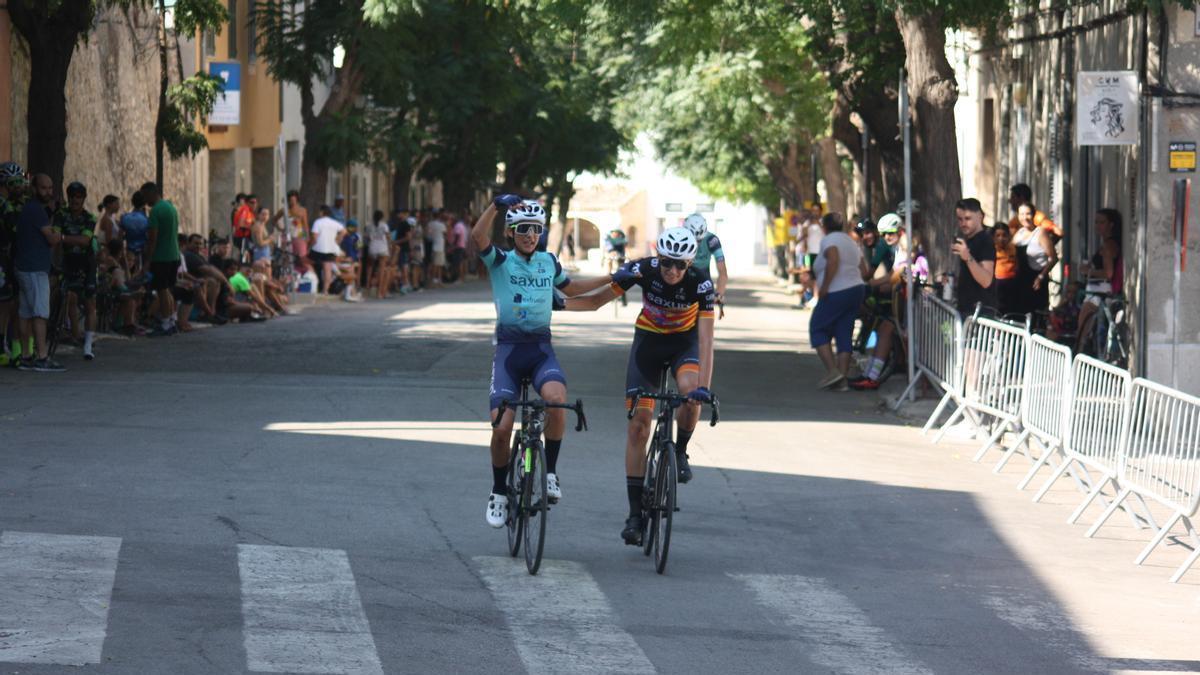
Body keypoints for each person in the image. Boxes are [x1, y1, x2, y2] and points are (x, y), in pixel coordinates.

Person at [555, 227, 717, 545]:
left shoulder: (700, 282)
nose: (672, 271)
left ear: (689, 264)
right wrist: (557, 305)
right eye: (667, 263)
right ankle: (634, 515)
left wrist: (704, 387)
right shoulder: (643, 269)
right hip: (648, 345)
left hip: (684, 345)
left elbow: (707, 338)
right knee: (638, 428)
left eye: (679, 265)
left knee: (690, 393)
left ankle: (681, 451)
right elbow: (595, 301)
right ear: (659, 258)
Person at [473, 195, 614, 530]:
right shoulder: (501, 261)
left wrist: (614, 279)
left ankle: (549, 473)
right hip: (509, 351)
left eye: (536, 229)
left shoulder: (548, 262)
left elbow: (577, 291)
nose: (530, 234)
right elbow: (478, 237)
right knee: (502, 429)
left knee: (556, 400)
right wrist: (495, 205)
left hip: (540, 350)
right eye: (523, 228)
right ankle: (498, 492)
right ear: (510, 232)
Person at [808, 213, 865, 391]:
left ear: (824, 227)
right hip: (856, 289)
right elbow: (865, 268)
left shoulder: (829, 240)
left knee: (817, 328)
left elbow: (833, 259)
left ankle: (834, 371)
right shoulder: (850, 241)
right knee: (843, 331)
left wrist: (825, 286)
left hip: (836, 291)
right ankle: (842, 380)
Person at [850, 213, 907, 390]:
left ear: (900, 231)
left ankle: (873, 376)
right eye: (884, 234)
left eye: (891, 233)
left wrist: (874, 283)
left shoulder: (902, 248)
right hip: (900, 297)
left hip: (906, 300)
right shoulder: (895, 248)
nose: (886, 238)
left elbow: (898, 273)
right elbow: (893, 274)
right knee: (884, 331)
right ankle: (870, 374)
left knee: (889, 333)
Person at [14, 174, 64, 371]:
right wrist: (63, 235)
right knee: (40, 313)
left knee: (25, 313)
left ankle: (26, 356)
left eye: (50, 188)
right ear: (34, 188)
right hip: (35, 270)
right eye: (44, 188)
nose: (48, 192)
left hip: (24, 267)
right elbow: (52, 239)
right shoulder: (36, 210)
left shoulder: (32, 209)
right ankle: (42, 357)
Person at [53, 181, 100, 359]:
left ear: (83, 199)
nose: (75, 200)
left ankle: (88, 344)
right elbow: (54, 239)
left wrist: (63, 237)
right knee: (69, 297)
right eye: (72, 196)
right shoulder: (60, 215)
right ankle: (73, 333)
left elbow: (85, 241)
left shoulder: (89, 218)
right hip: (67, 260)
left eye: (79, 197)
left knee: (90, 303)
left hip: (86, 262)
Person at [1075, 208, 1123, 353]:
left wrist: (1088, 271)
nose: (1097, 226)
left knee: (1082, 332)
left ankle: (1079, 358)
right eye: (1096, 222)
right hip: (1096, 292)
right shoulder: (1106, 244)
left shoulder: (1108, 246)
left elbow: (1108, 273)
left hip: (1099, 294)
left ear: (1111, 225)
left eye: (1102, 222)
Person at [142, 181, 182, 336]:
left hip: (161, 257)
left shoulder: (155, 211)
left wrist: (147, 261)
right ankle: (171, 321)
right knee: (167, 290)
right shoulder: (170, 207)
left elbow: (153, 239)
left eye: (146, 196)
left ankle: (166, 324)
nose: (145, 200)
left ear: (153, 193)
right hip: (174, 255)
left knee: (162, 291)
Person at [0, 162, 27, 365]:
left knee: (8, 303)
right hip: (3, 259)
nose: (18, 185)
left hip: (9, 259)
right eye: (14, 182)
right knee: (5, 304)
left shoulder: (15, 202)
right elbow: (15, 228)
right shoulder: (4, 204)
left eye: (20, 181)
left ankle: (9, 348)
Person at [951, 198, 996, 317]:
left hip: (980, 315)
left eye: (967, 218)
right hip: (966, 310)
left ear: (980, 216)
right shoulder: (969, 241)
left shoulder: (985, 241)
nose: (963, 223)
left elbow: (986, 280)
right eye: (960, 219)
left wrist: (968, 258)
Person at [1011, 202, 1058, 316]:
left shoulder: (1040, 232)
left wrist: (1041, 276)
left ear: (1033, 215)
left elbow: (1053, 258)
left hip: (1035, 280)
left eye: (1028, 214)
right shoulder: (1019, 233)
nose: (1025, 217)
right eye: (1021, 214)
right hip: (1021, 279)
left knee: (1035, 315)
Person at [682, 213, 728, 306]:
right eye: (691, 240)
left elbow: (722, 272)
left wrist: (719, 293)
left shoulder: (712, 240)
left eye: (699, 240)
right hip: (683, 275)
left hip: (703, 277)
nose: (696, 244)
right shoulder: (679, 237)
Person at [309, 205, 346, 297]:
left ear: (322, 212)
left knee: (307, 262)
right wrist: (338, 240)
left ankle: (314, 284)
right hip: (330, 249)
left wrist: (309, 246)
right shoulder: (334, 223)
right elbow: (344, 231)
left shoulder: (318, 222)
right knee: (327, 269)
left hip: (318, 249)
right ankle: (325, 290)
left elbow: (314, 236)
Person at [993, 223, 1020, 315]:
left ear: (1008, 236)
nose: (1001, 238)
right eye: (998, 236)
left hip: (1012, 283)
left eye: (1004, 235)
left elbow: (1017, 263)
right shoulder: (992, 250)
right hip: (997, 283)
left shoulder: (1013, 249)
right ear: (993, 238)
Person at [118, 189, 150, 267]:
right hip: (143, 252)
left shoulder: (124, 218)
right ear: (144, 204)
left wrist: (121, 253)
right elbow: (149, 237)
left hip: (129, 252)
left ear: (132, 202)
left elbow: (119, 237)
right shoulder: (147, 220)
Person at [366, 210, 392, 298]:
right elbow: (388, 237)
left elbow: (367, 238)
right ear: (382, 217)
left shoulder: (369, 226)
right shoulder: (384, 225)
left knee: (369, 268)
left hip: (372, 248)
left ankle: (367, 288)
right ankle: (379, 293)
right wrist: (390, 247)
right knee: (381, 270)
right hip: (382, 248)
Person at [232, 193, 257, 262]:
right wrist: (252, 228)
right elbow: (241, 224)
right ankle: (240, 272)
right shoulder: (245, 209)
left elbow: (255, 224)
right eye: (252, 202)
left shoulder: (250, 212)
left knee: (249, 258)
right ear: (247, 203)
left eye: (255, 202)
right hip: (242, 237)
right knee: (243, 259)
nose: (254, 204)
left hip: (247, 238)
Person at [426, 211, 447, 286]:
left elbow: (428, 234)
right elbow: (445, 234)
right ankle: (436, 280)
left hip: (433, 245)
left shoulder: (430, 224)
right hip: (440, 246)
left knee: (435, 263)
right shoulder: (442, 225)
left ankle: (435, 280)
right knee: (438, 264)